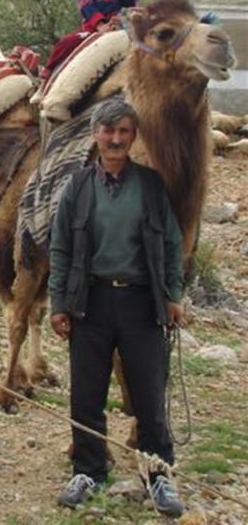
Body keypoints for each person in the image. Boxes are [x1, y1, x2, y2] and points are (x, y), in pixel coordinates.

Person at [49, 98, 184, 517]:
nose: (115, 139)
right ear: (96, 135)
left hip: (142, 302)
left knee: (148, 392)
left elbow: (171, 245)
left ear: (133, 136)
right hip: (91, 301)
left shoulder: (150, 185)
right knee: (86, 393)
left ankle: (159, 473)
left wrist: (173, 295)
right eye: (108, 131)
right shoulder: (77, 187)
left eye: (124, 131)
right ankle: (88, 469)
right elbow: (61, 248)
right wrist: (58, 303)